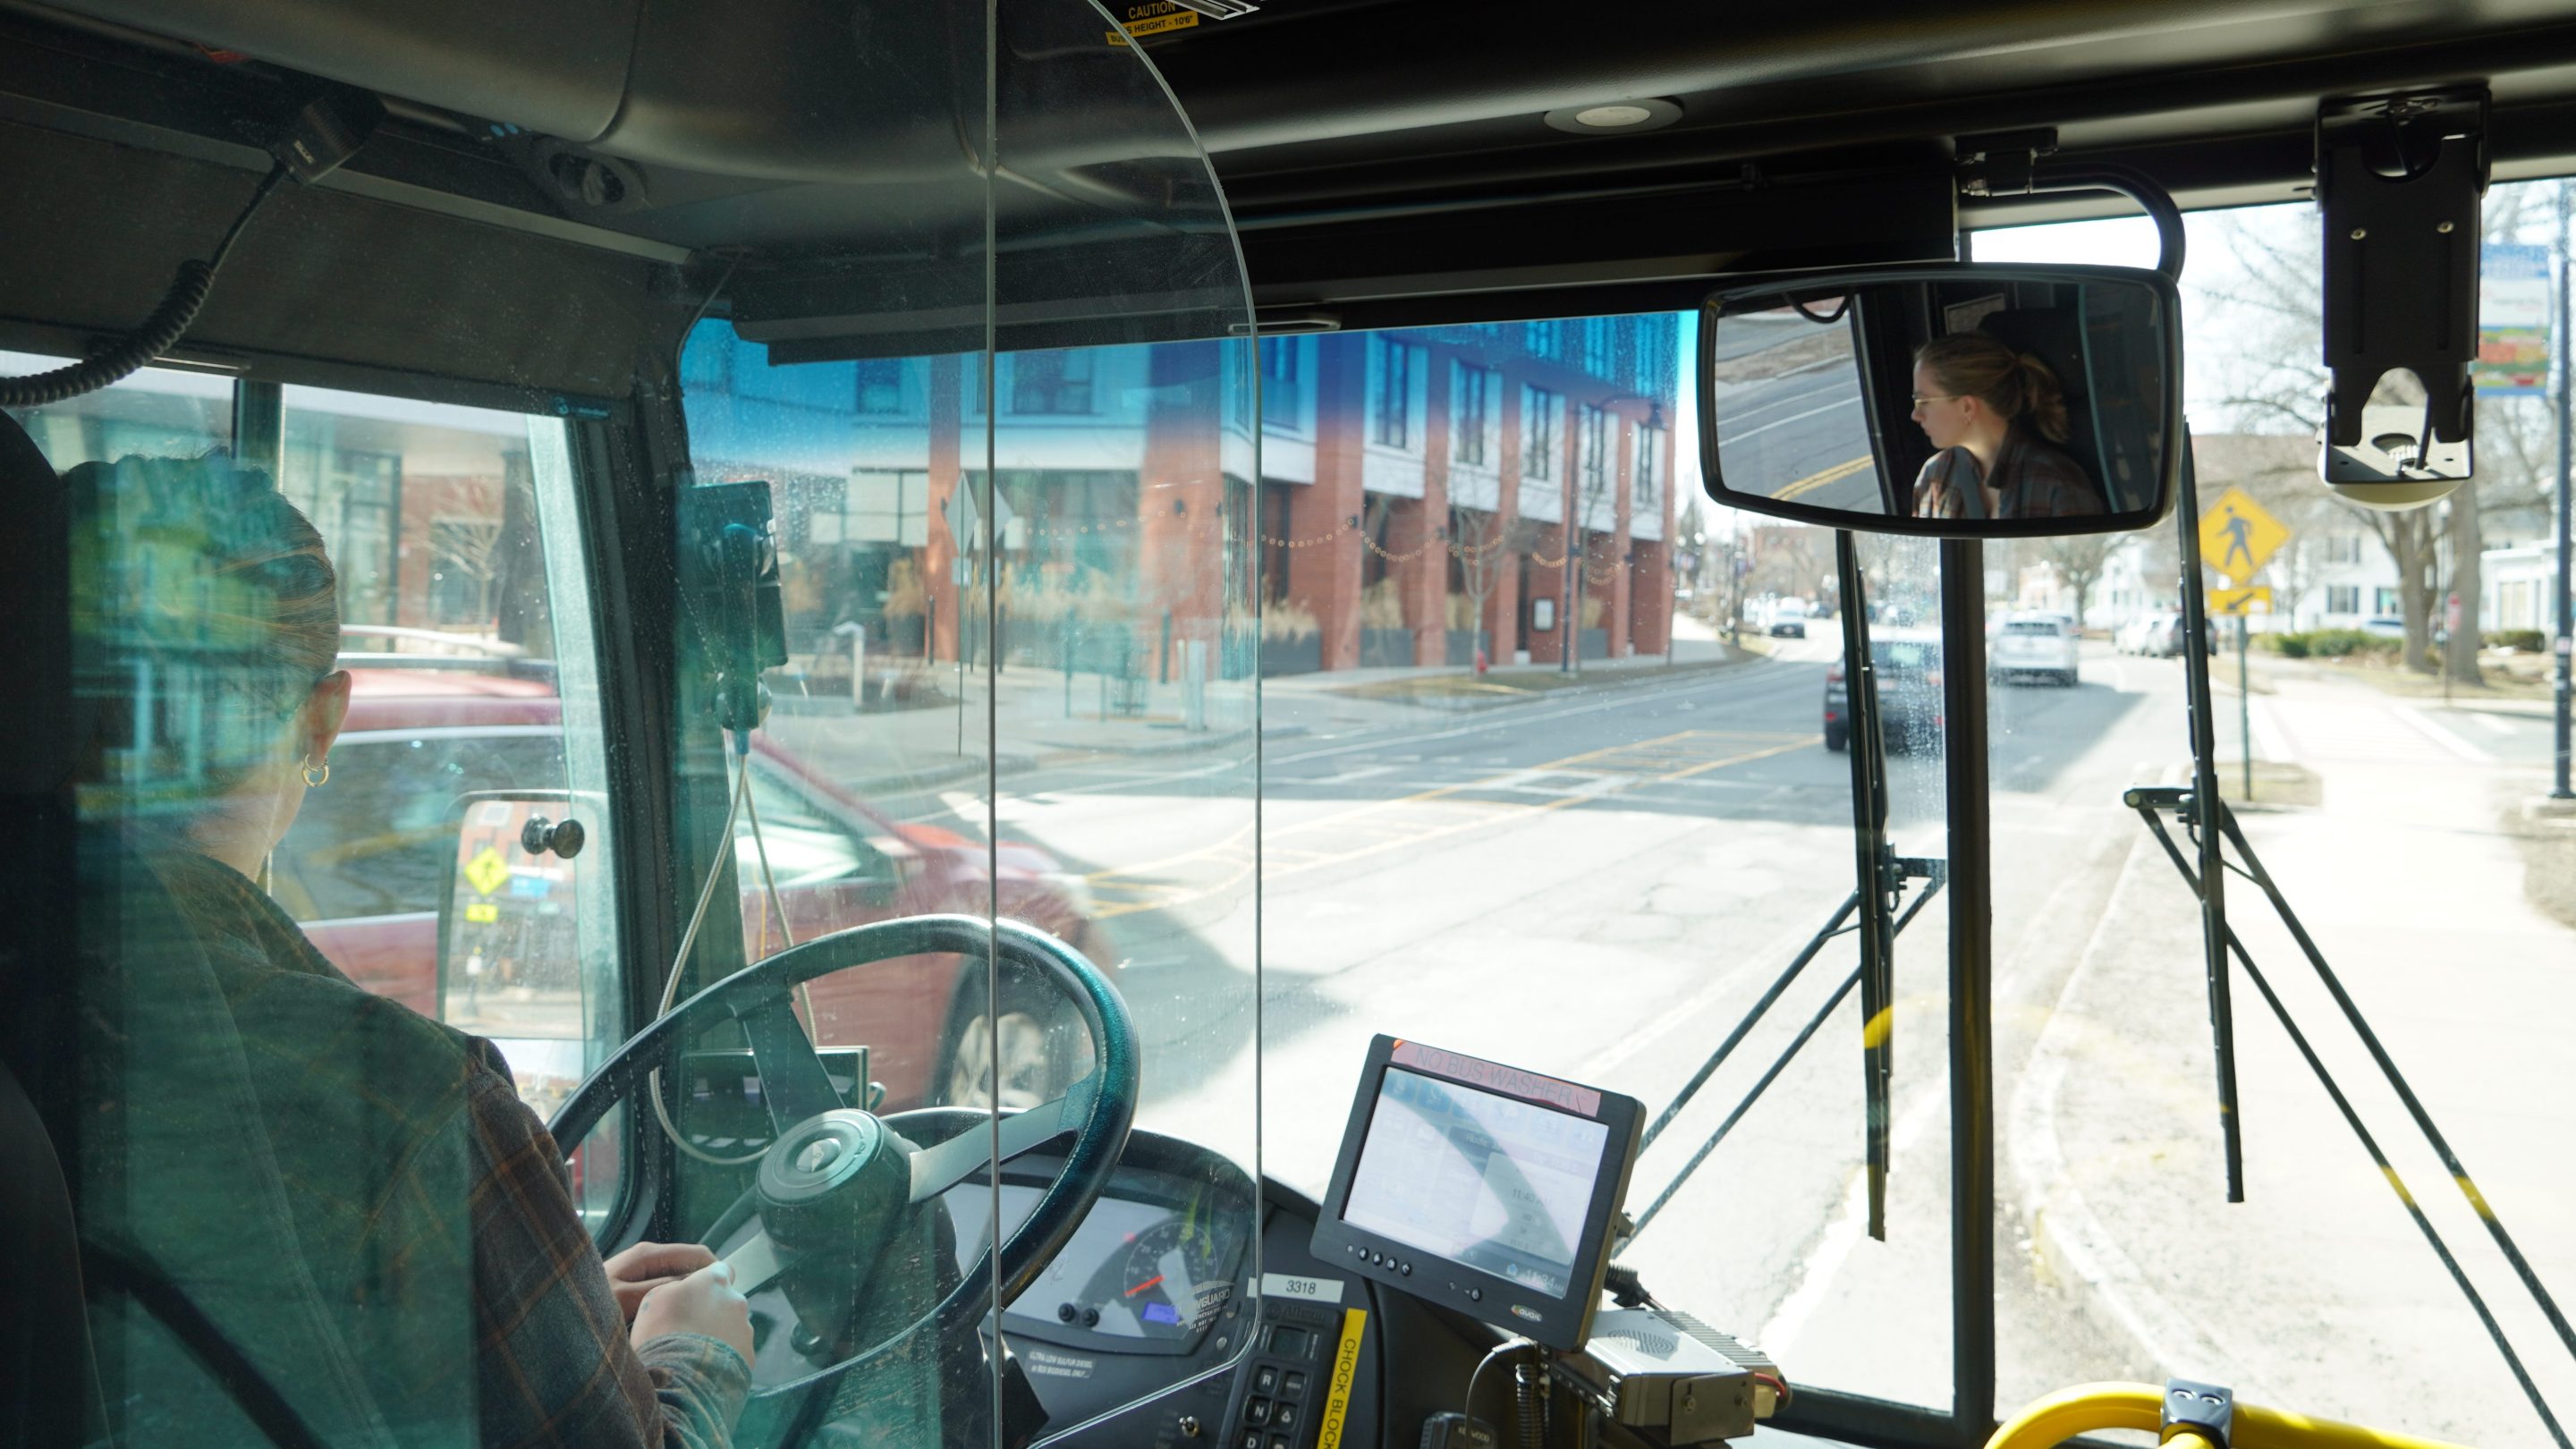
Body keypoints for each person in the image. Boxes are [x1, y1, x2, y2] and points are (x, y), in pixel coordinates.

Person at [64, 453, 754, 1447]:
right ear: (324, 719)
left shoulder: (55, 1014)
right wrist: (692, 1362)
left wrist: (536, 1304)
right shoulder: (409, 1113)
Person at [1906, 331, 2103, 521]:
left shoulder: (2058, 487)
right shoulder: (1935, 476)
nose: (1915, 415)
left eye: (1923, 401)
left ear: (1967, 407)